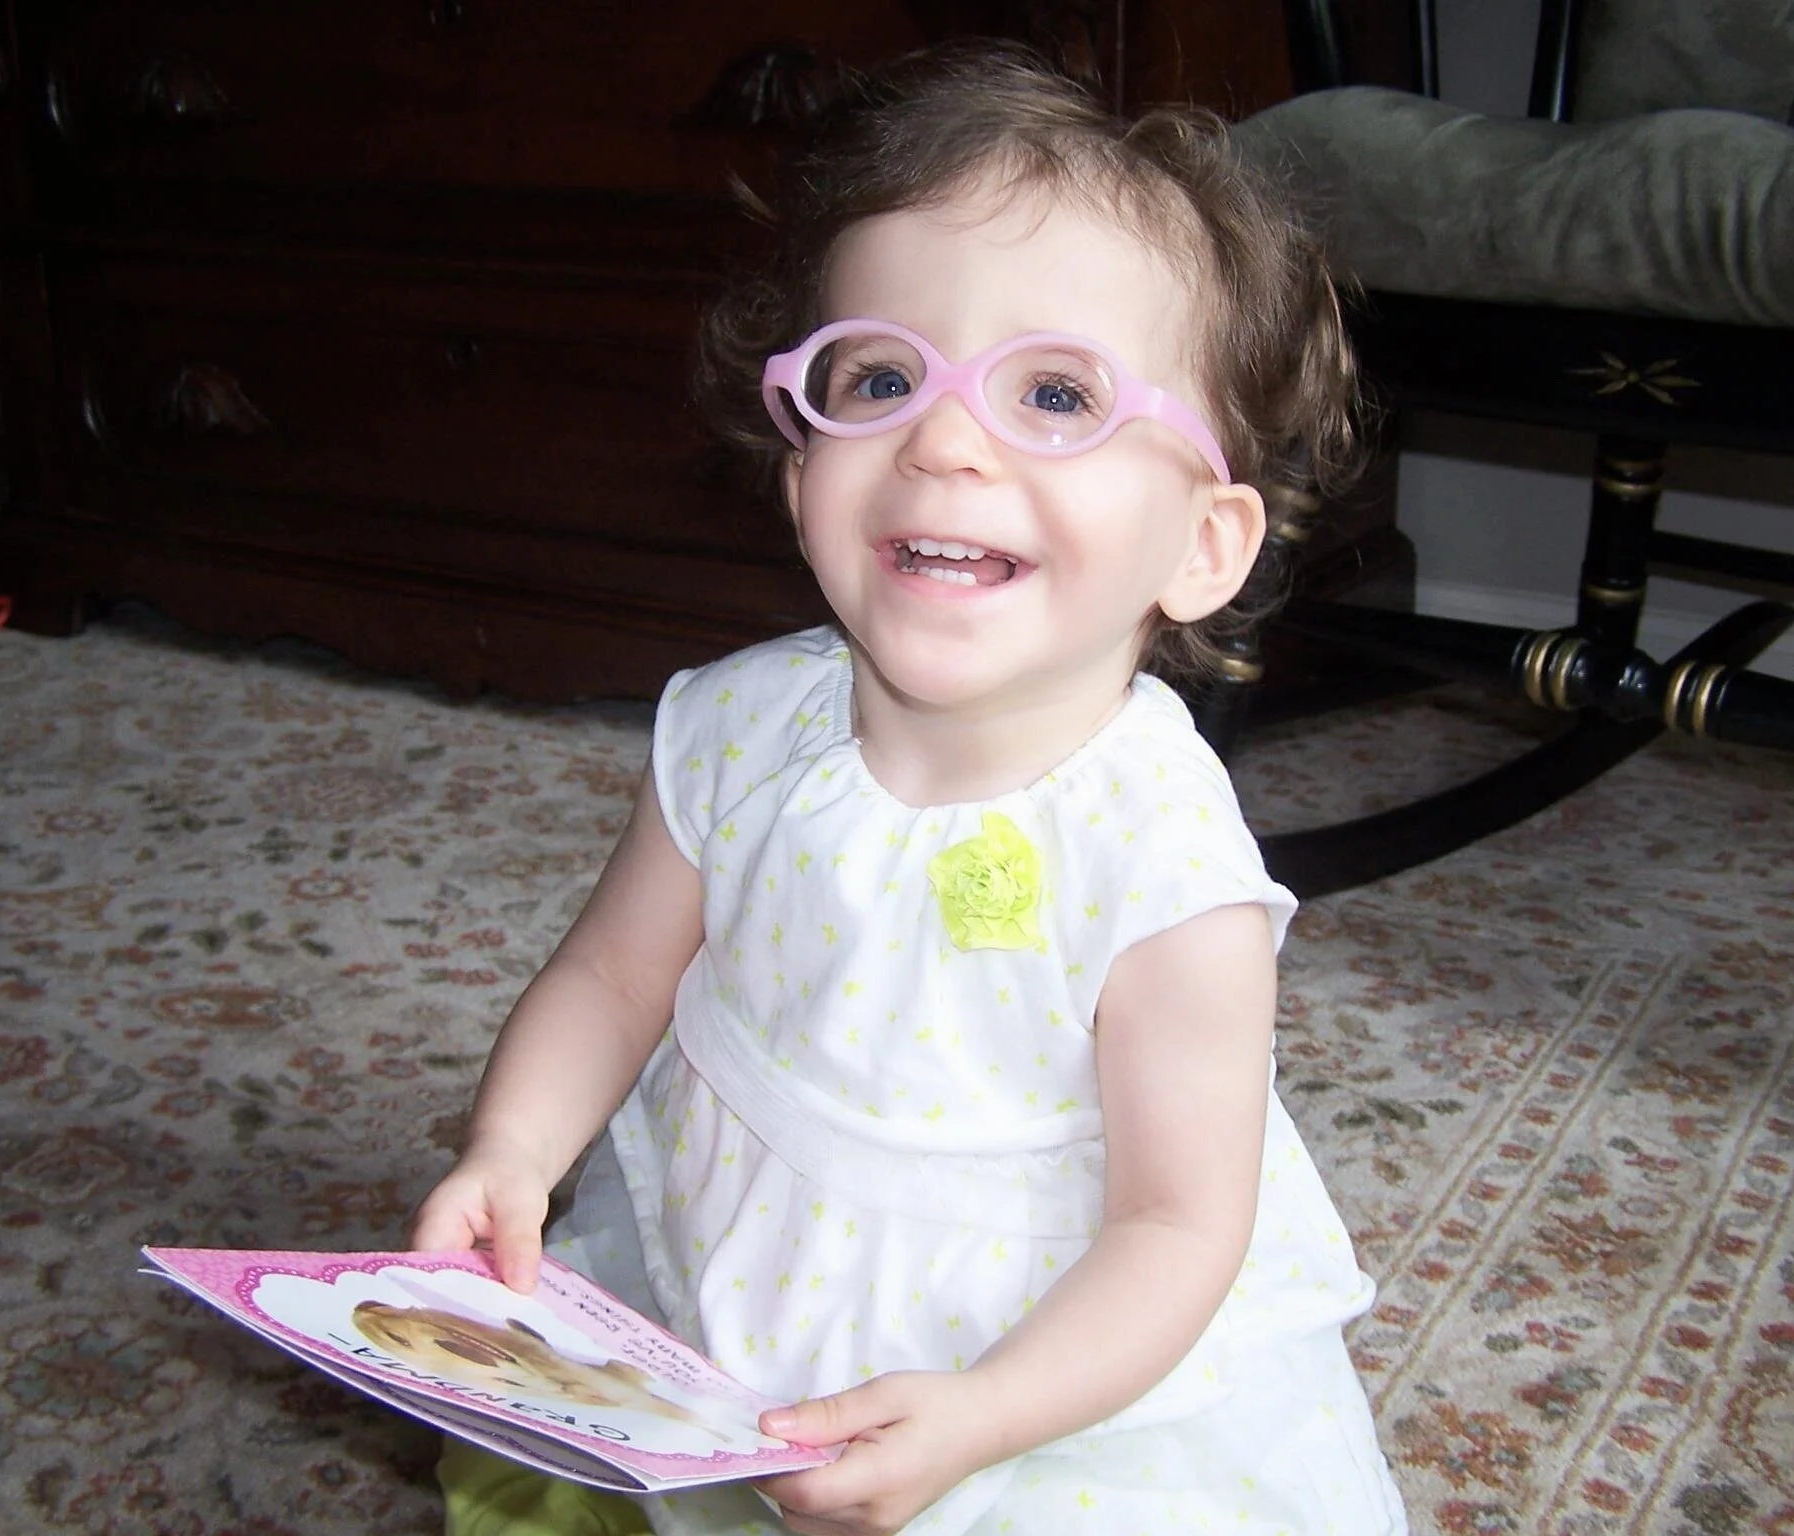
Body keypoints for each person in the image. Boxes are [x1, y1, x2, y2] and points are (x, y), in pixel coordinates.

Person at [412, 38, 1408, 1536]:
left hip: (1029, 1369)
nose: (942, 439)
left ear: (1205, 545)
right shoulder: (736, 728)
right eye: (878, 377)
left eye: (1057, 395)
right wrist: (515, 1151)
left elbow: (1178, 1221)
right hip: (736, 1258)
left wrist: (990, 1414)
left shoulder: (1162, 858)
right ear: (797, 450)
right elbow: (614, 981)